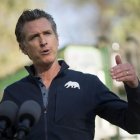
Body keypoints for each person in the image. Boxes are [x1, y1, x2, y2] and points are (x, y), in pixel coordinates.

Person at [1, 9, 140, 140]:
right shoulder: (13, 93)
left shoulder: (88, 84)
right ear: (23, 48)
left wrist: (134, 87)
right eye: (34, 37)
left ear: (57, 39)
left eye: (47, 33)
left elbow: (135, 125)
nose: (43, 42)